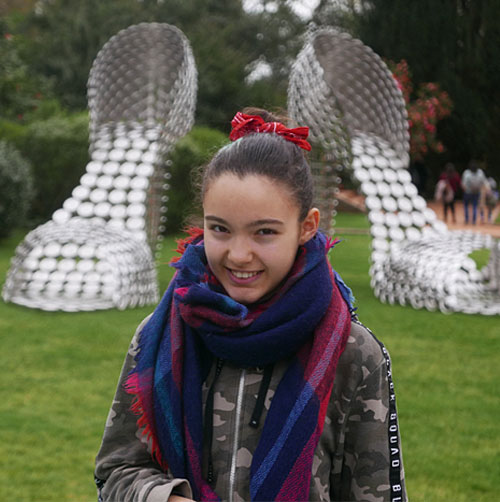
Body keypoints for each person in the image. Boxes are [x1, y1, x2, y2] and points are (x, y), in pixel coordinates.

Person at [94, 108, 407, 502]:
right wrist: (163, 498)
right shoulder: (158, 338)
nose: (239, 255)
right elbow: (115, 470)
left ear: (307, 226)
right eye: (220, 229)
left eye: (264, 232)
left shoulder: (354, 354)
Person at [461, 160, 486, 224]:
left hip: (467, 192)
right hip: (476, 192)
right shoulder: (480, 173)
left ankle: (467, 219)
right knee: (475, 206)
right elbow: (483, 183)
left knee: (466, 206)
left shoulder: (466, 173)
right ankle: (474, 220)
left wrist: (465, 190)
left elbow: (463, 184)